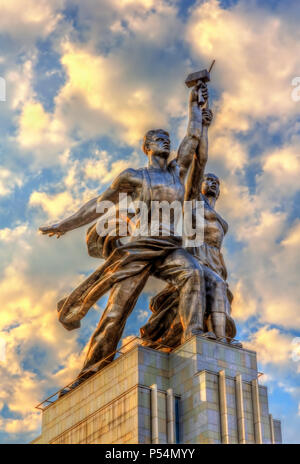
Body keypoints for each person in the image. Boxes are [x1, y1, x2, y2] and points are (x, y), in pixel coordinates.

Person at [40, 82, 211, 390]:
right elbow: (98, 203)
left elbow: (193, 137)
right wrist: (64, 224)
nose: (164, 141)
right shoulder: (133, 176)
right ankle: (92, 370)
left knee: (194, 273)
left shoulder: (176, 172)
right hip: (140, 247)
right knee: (117, 311)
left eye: (166, 139)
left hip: (169, 246)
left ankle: (193, 335)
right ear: (146, 147)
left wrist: (194, 104)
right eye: (157, 138)